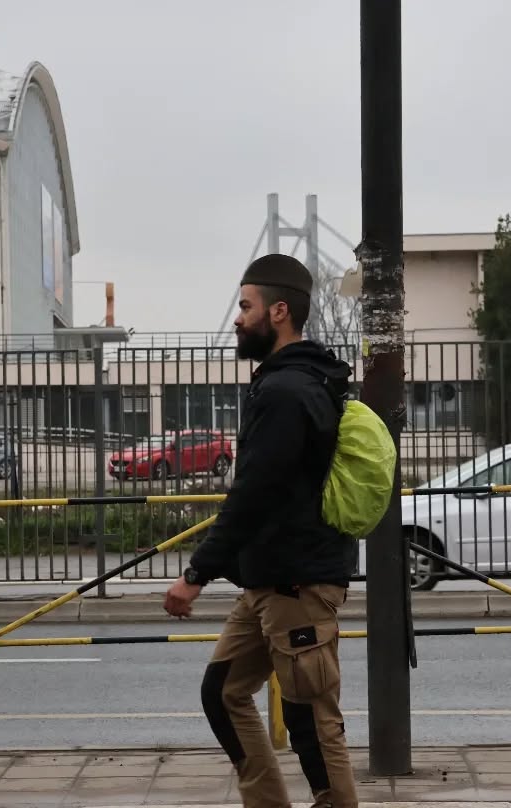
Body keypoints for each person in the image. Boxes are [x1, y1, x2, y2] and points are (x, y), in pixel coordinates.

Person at [164, 253, 359, 808]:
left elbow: (255, 492)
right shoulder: (290, 382)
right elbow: (262, 492)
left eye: (245, 307)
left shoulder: (286, 392)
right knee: (223, 692)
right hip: (270, 581)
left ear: (278, 312)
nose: (236, 318)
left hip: (296, 582)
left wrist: (197, 573)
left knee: (313, 725)